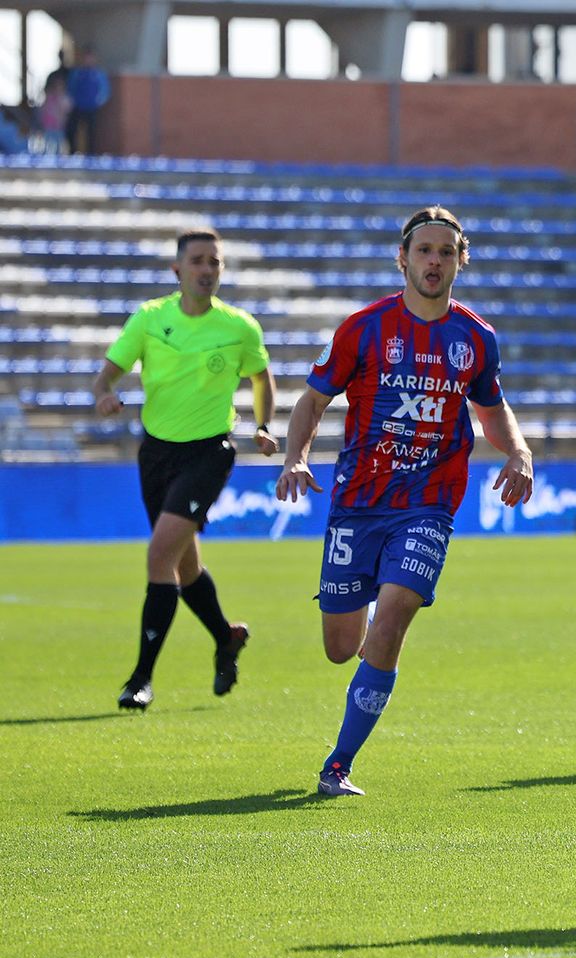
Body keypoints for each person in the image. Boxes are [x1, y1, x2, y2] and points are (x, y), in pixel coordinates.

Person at [276, 206, 534, 797]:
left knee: (393, 619)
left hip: (429, 503)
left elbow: (491, 408)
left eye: (446, 251)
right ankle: (366, 621)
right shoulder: (362, 328)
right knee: (342, 648)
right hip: (358, 502)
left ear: (460, 260)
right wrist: (296, 457)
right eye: (424, 250)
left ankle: (337, 765)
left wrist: (518, 452)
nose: (435, 261)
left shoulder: (476, 338)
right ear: (404, 259)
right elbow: (312, 402)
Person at [91, 228, 279, 711]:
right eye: (197, 261)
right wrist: (105, 393)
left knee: (159, 557)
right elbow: (108, 372)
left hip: (208, 453)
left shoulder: (239, 327)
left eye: (214, 262)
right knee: (184, 564)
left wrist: (262, 425)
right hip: (156, 453)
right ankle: (226, 636)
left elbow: (261, 378)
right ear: (177, 270)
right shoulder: (151, 319)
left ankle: (140, 679)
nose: (207, 270)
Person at [65, 46, 110, 155]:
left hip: (92, 108)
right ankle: (72, 152)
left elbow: (105, 91)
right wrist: (72, 101)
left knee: (92, 133)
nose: (88, 60)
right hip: (77, 107)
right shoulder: (77, 73)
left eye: (90, 57)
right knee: (72, 130)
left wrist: (97, 102)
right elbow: (70, 88)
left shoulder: (99, 74)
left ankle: (91, 155)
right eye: (86, 57)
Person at [37, 70, 72, 155]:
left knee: (59, 143)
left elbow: (68, 109)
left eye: (60, 86)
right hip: (48, 125)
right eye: (56, 86)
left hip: (59, 126)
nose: (58, 88)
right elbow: (43, 110)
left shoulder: (64, 98)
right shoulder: (49, 98)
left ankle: (59, 157)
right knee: (48, 142)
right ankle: (46, 156)